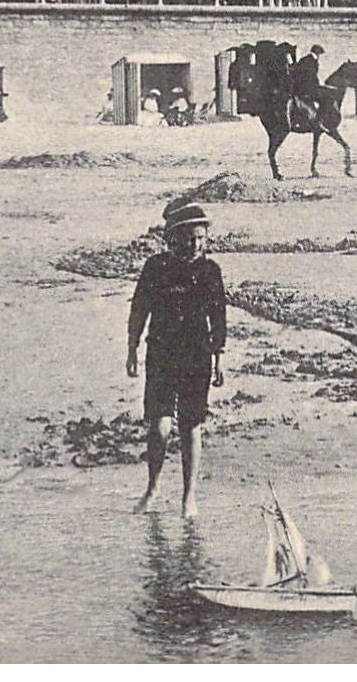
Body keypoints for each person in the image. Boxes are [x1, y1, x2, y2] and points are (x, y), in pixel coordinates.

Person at [128, 201, 228, 518]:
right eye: (189, 238)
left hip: (197, 356)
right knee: (158, 427)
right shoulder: (155, 268)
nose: (195, 245)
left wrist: (219, 357)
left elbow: (219, 317)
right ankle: (153, 488)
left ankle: (189, 498)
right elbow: (139, 310)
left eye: (201, 238)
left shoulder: (210, 271)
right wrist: (131, 348)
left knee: (190, 426)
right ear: (173, 238)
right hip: (160, 353)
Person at [291, 44, 324, 127]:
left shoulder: (305, 59)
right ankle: (318, 120)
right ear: (317, 54)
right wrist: (317, 85)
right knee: (323, 99)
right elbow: (311, 76)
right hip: (307, 88)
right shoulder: (313, 61)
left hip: (300, 87)